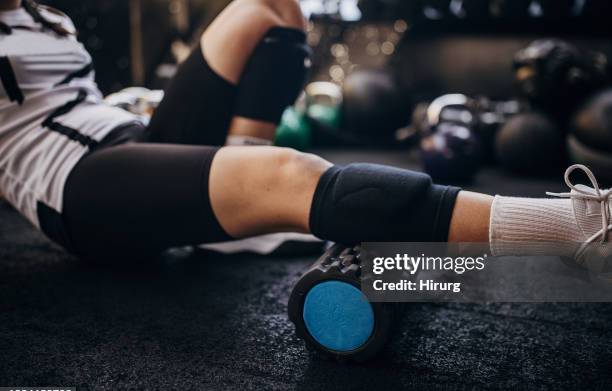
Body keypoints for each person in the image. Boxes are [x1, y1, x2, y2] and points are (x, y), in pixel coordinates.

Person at [0, 0, 610, 266]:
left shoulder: (42, 16)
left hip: (128, 134)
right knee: (292, 174)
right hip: (76, 189)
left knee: (270, 4)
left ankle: (230, 209)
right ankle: (585, 228)